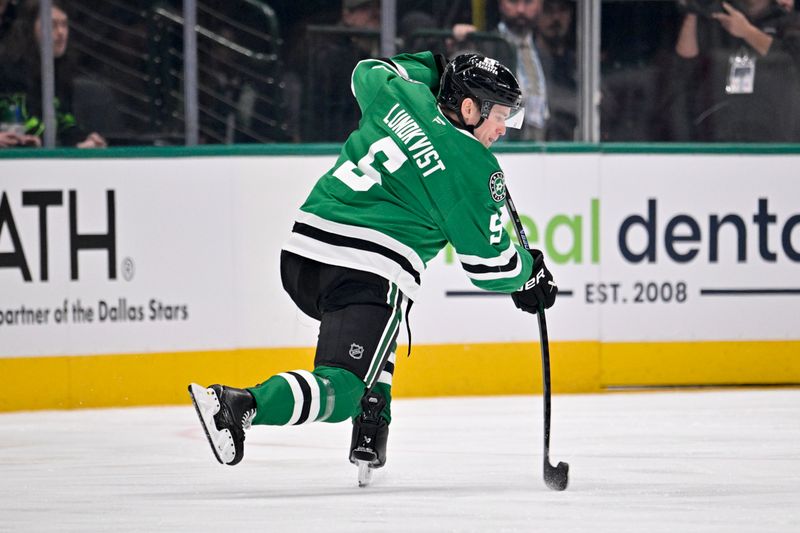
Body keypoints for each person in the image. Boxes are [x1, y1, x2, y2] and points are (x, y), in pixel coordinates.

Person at [188, 52, 558, 478]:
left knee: (381, 325)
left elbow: (365, 71)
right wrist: (529, 273)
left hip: (302, 256)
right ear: (470, 109)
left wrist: (431, 68)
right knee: (341, 389)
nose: (503, 129)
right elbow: (490, 266)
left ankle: (372, 420)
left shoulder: (399, 94)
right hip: (366, 271)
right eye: (500, 116)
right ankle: (239, 405)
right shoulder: (474, 168)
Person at [671, 0, 800, 141]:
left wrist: (746, 32)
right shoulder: (717, 15)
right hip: (719, 129)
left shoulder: (787, 19)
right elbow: (686, 64)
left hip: (773, 131)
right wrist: (692, 11)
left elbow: (791, 59)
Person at [0, 0, 106, 147]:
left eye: (64, 25)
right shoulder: (8, 68)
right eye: (52, 25)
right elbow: (22, 125)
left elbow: (63, 121)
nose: (61, 32)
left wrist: (85, 141)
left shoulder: (60, 71)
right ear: (29, 29)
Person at [453, 0, 550, 140]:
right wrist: (462, 45)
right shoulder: (482, 46)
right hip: (499, 141)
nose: (520, 9)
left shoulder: (547, 51)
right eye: (512, 1)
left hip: (544, 143)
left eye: (528, 1)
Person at [304, 0, 381, 141]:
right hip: (338, 135)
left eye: (377, 8)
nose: (375, 14)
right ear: (347, 15)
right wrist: (362, 51)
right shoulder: (330, 49)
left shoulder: (388, 44)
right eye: (366, 9)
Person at [535, 0, 577, 140]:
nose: (556, 17)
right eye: (548, 10)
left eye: (562, 10)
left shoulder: (582, 64)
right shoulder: (526, 61)